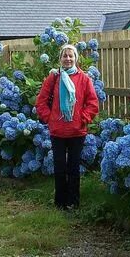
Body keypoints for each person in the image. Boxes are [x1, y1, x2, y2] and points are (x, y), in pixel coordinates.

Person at [35, 44, 99, 210]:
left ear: (76, 58)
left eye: (71, 56)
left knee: (74, 168)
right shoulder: (53, 78)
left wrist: (82, 119)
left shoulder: (84, 79)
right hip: (58, 131)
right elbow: (41, 101)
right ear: (60, 58)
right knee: (59, 168)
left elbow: (92, 103)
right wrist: (50, 118)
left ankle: (73, 203)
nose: (68, 59)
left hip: (77, 131)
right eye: (65, 56)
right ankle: (60, 202)